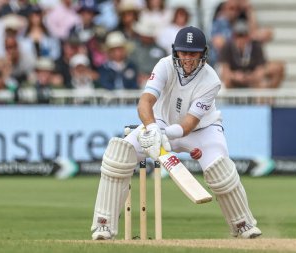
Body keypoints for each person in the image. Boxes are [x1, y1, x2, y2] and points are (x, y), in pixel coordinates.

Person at [91, 26, 262, 240]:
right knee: (119, 153)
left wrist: (166, 135)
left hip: (202, 130)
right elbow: (145, 102)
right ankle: (103, 225)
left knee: (221, 170)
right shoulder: (164, 65)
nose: (188, 59)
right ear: (175, 51)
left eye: (193, 53)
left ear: (203, 53)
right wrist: (153, 129)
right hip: (160, 123)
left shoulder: (211, 80)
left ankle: (243, 224)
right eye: (184, 52)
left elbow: (188, 124)